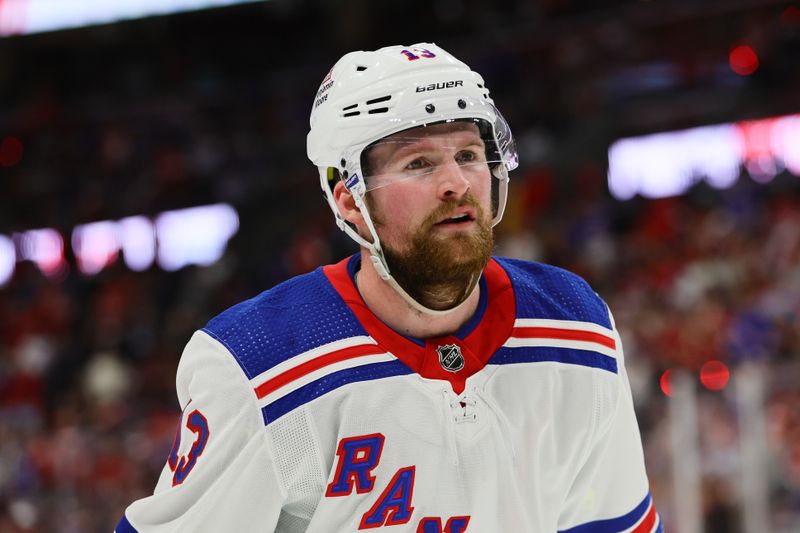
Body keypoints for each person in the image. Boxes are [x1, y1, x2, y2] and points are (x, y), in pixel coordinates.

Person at [115, 42, 661, 532]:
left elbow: (609, 523)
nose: (456, 183)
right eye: (419, 163)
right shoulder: (260, 363)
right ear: (349, 199)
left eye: (469, 155)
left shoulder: (574, 325)